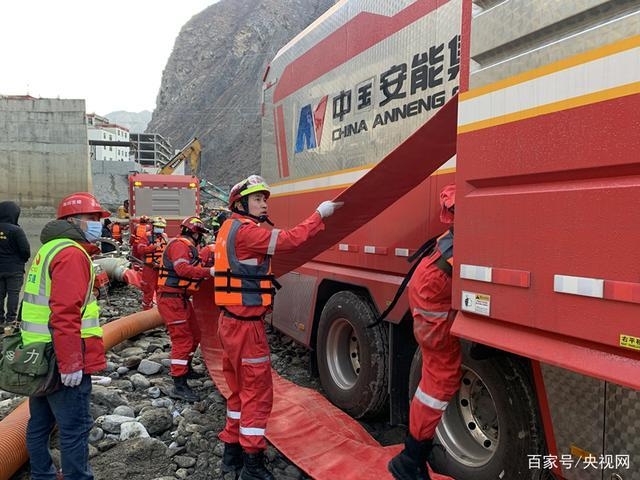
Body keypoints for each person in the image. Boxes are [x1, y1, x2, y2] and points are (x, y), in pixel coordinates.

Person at [214, 174, 342, 480]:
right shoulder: (246, 232)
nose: (263, 204)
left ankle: (231, 455)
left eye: (265, 199)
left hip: (230, 324)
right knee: (257, 395)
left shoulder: (228, 229)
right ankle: (252, 465)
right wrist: (319, 215)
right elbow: (289, 240)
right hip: (246, 328)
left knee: (238, 393)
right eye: (258, 199)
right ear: (241, 203)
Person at [21, 192, 109, 480]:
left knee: (40, 423)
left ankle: (42, 475)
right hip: (61, 355)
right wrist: (71, 362)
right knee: (74, 428)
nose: (98, 224)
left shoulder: (49, 249)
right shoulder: (71, 253)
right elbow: (65, 313)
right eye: (92, 218)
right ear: (73, 220)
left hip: (39, 352)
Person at [388, 184, 459, 480]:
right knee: (441, 377)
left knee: (436, 374)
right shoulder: (470, 213)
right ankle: (411, 458)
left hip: (431, 284)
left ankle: (413, 455)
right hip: (433, 290)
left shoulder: (462, 206)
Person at [157, 215, 215, 402]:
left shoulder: (184, 246)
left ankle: (186, 369)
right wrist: (210, 272)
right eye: (200, 234)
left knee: (195, 334)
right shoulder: (180, 246)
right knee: (183, 339)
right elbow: (183, 270)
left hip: (179, 298)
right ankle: (179, 383)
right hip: (171, 300)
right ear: (195, 233)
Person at [0, 201, 31, 327]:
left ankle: (0, 320)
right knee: (13, 294)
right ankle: (11, 320)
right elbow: (25, 250)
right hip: (14, 269)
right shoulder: (16, 230)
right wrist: (21, 260)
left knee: (0, 294)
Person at [136, 216, 168, 310]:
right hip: (149, 268)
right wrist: (153, 247)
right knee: (148, 289)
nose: (160, 229)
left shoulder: (165, 237)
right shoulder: (146, 236)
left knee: (162, 289)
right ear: (153, 226)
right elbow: (140, 250)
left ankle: (160, 310)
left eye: (162, 227)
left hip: (161, 268)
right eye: (158, 227)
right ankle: (146, 310)